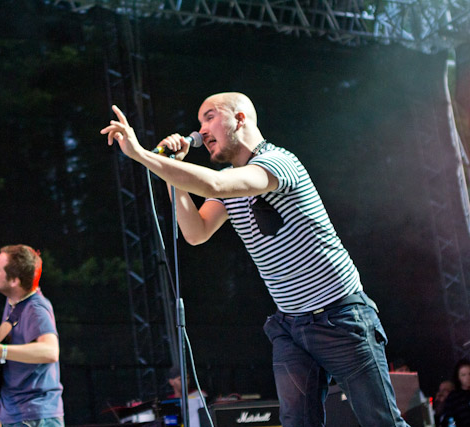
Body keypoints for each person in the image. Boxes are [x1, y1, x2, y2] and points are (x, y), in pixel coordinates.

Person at [100, 92, 408, 426]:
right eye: (199, 121)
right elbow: (196, 232)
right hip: (290, 325)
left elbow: (216, 184)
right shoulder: (233, 183)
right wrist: (169, 173)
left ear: (241, 118)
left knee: (382, 422)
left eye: (210, 117)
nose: (201, 130)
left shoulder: (277, 163)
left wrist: (143, 155)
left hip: (340, 316)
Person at [0, 244, 64, 427]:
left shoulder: (36, 308)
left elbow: (50, 351)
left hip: (35, 416)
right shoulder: (13, 303)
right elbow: (12, 352)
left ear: (14, 280)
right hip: (13, 413)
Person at [440, 359, 470, 426]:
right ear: (458, 377)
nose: (468, 378)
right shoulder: (453, 397)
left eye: (469, 374)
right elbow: (448, 420)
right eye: (463, 375)